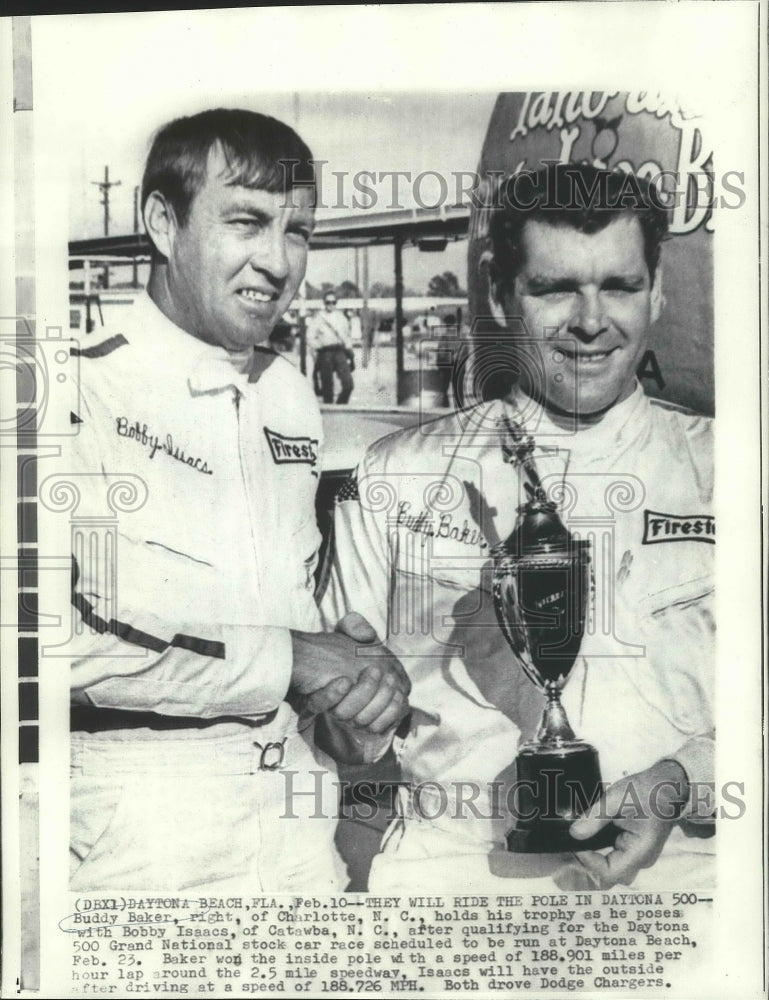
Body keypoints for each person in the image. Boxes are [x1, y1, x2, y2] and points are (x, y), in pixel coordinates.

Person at [321, 163, 715, 892]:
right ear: (501, 295)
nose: (591, 320)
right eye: (554, 287)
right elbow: (336, 741)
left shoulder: (729, 475)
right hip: (456, 884)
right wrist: (344, 708)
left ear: (657, 291)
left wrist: (683, 778)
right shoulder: (395, 478)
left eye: (619, 286)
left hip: (683, 892)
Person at [68, 108, 408, 892]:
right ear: (163, 221)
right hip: (137, 822)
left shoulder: (289, 397)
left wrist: (352, 704)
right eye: (247, 222)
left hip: (295, 814)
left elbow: (297, 610)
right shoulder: (75, 387)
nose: (278, 260)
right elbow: (53, 637)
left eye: (298, 231)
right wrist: (294, 660)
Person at [308, 292, 354, 403]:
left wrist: (349, 350)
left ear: (336, 303)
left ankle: (340, 405)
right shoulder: (319, 318)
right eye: (328, 302)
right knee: (327, 385)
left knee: (348, 384)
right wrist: (319, 345)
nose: (330, 304)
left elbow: (347, 335)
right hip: (325, 352)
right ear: (324, 303)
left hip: (339, 351)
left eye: (333, 302)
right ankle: (331, 412)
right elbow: (310, 336)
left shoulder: (341, 317)